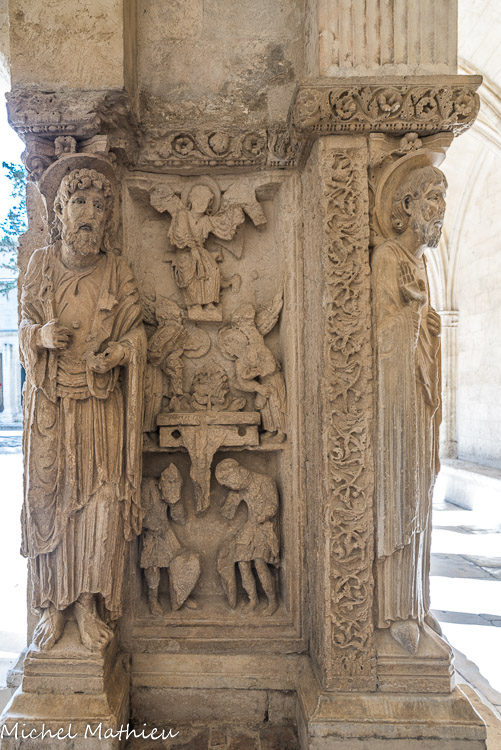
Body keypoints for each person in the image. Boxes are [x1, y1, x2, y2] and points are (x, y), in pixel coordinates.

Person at [20, 155, 146, 652]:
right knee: (47, 502)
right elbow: (24, 324)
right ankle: (53, 606)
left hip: (98, 407)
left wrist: (120, 352)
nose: (89, 213)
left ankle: (88, 606)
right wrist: (40, 336)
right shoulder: (41, 265)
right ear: (60, 212)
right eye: (79, 202)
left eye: (98, 205)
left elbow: (136, 334)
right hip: (52, 407)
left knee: (100, 506)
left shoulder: (116, 270)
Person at [372, 162, 446, 654]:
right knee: (399, 495)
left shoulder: (419, 265)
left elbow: (424, 331)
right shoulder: (387, 259)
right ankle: (392, 611)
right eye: (432, 199)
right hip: (394, 405)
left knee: (420, 493)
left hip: (418, 403)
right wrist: (414, 314)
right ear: (406, 206)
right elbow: (380, 340)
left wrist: (427, 323)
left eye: (442, 200)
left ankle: (416, 602)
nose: (440, 211)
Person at [215, 459, 279, 615]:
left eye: (231, 482)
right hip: (250, 527)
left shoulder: (265, 481)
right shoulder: (240, 489)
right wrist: (231, 499)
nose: (232, 486)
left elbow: (274, 505)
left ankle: (272, 601)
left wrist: (263, 516)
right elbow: (227, 514)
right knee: (242, 564)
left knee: (259, 564)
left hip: (264, 527)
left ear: (238, 472)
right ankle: (253, 600)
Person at [141, 465, 200, 615]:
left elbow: (179, 519)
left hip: (166, 533)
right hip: (151, 534)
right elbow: (141, 514)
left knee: (179, 564)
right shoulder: (148, 486)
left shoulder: (171, 493)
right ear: (161, 483)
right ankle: (153, 600)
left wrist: (175, 505)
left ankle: (180, 597)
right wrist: (151, 526)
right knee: (152, 567)